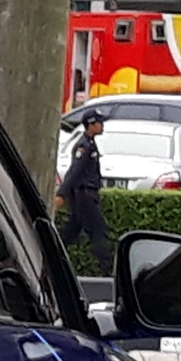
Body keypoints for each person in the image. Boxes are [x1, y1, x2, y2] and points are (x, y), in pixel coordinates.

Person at [57, 109, 111, 268]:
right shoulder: (84, 146)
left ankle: (51, 260)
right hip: (85, 196)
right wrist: (62, 194)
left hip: (85, 195)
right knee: (99, 232)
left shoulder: (90, 144)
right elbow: (75, 171)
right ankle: (109, 270)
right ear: (91, 125)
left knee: (69, 233)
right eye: (100, 123)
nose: (102, 126)